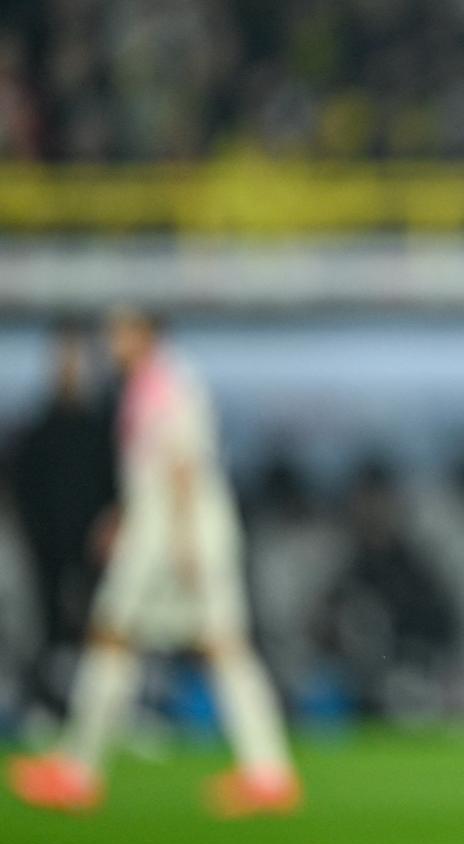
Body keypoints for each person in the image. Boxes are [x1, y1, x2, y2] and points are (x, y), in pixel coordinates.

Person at [8, 309, 301, 817]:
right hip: (169, 531)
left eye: (121, 330)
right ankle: (268, 773)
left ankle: (78, 771)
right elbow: (153, 466)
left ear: (145, 334)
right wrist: (123, 516)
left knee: (120, 637)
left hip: (172, 538)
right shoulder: (150, 382)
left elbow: (184, 464)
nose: (111, 339)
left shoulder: (168, 381)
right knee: (216, 647)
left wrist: (182, 543)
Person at [11, 319, 118, 721]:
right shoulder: (37, 430)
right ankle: (47, 706)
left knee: (103, 630)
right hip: (47, 549)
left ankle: (103, 712)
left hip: (95, 550)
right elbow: (24, 490)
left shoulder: (101, 429)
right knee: (47, 629)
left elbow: (115, 489)